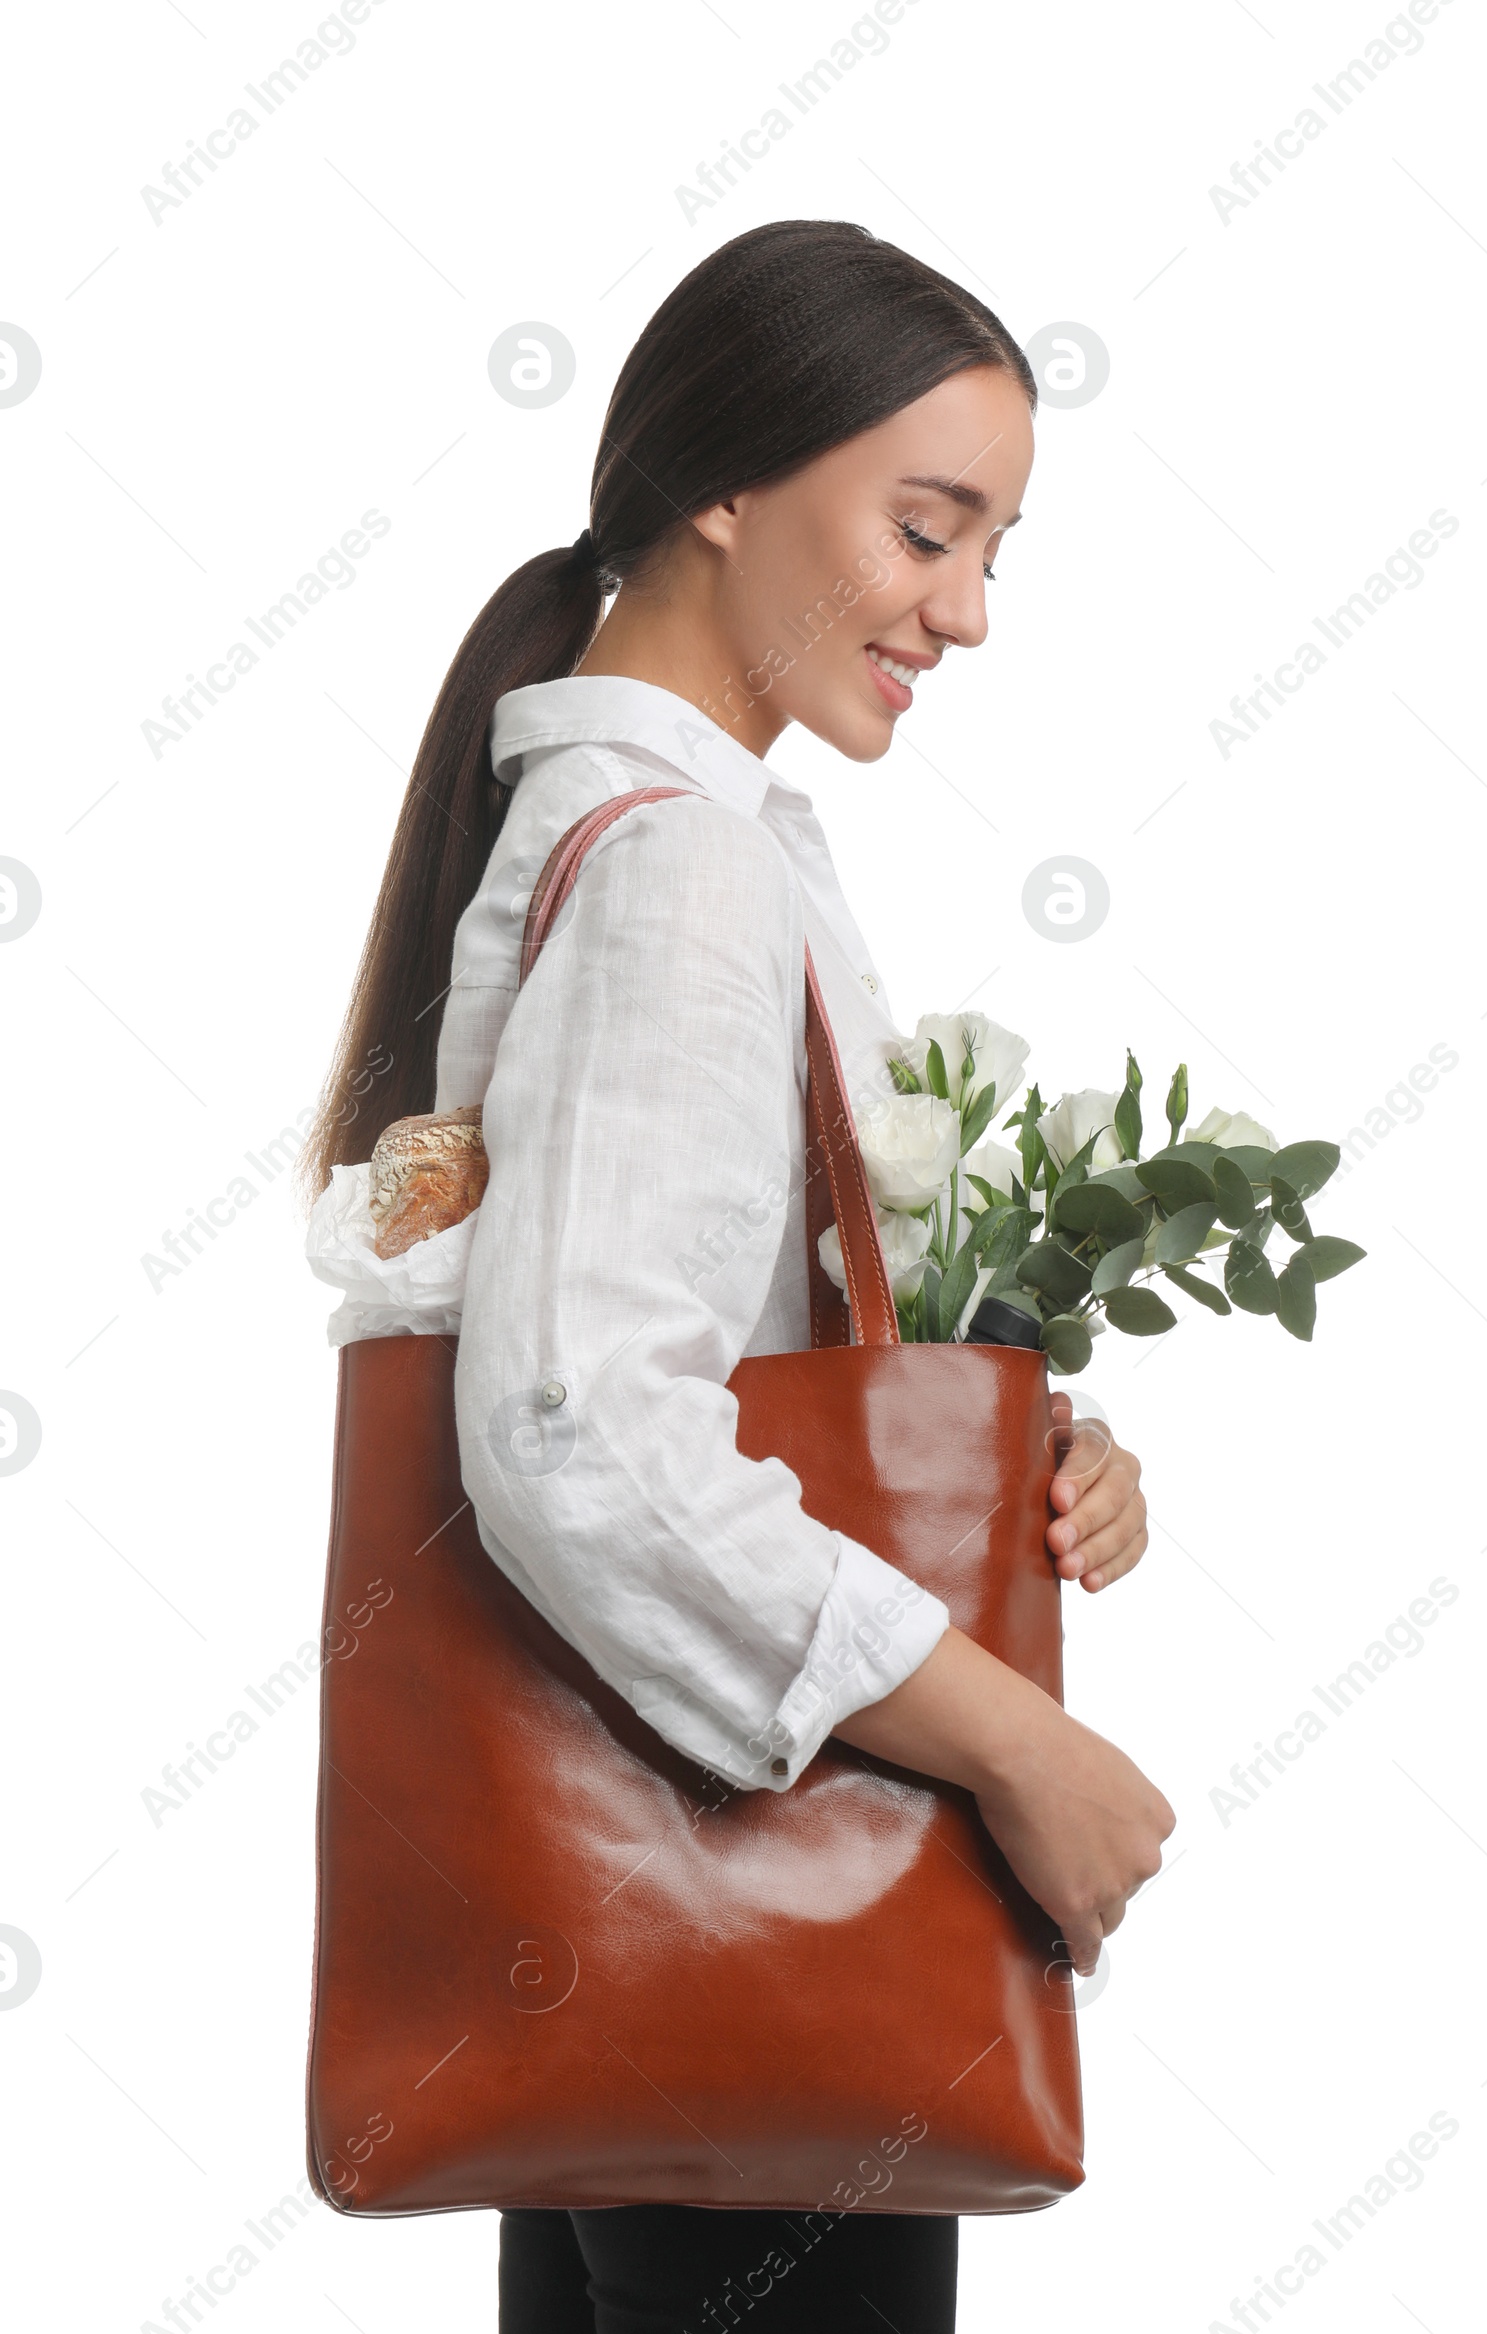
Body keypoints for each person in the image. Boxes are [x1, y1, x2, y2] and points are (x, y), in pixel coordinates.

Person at [303, 218, 1173, 2334]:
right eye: (921, 527)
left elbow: (641, 1363)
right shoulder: (682, 865)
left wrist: (985, 1461)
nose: (962, 612)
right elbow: (574, 1431)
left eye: (995, 550)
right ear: (719, 481)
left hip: (621, 1915)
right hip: (755, 1910)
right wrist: (1007, 1742)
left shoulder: (653, 831)